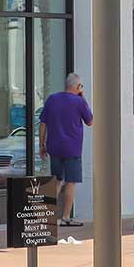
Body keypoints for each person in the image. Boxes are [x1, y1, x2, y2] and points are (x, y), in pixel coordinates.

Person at [38, 72, 93, 226]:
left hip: (54, 147)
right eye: (81, 86)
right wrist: (82, 97)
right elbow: (90, 121)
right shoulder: (79, 102)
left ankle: (48, 217)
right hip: (72, 148)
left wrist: (42, 144)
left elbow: (43, 123)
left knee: (56, 181)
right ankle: (66, 217)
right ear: (77, 86)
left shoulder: (52, 99)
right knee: (71, 182)